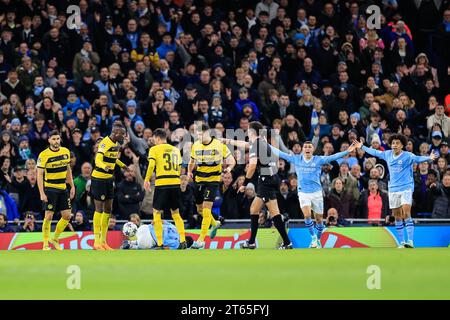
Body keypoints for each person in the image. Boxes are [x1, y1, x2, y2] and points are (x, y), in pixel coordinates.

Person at [269, 140, 357, 248]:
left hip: (316, 193)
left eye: (309, 147)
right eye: (305, 146)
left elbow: (333, 157)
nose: (307, 148)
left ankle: (318, 239)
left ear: (312, 149)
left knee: (319, 219)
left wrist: (348, 151)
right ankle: (313, 237)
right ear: (302, 149)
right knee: (307, 215)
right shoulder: (297, 159)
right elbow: (280, 153)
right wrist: (266, 145)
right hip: (303, 192)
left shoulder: (318, 160)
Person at [354, 134, 437, 248]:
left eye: (397, 143)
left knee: (406, 212)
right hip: (393, 189)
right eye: (393, 143)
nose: (395, 145)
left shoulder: (407, 156)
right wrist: (362, 146)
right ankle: (402, 242)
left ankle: (411, 241)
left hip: (406, 188)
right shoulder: (387, 154)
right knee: (397, 216)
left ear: (402, 145)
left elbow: (418, 159)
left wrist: (429, 157)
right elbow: (375, 152)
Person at [224, 121, 292, 249]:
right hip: (270, 178)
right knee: (254, 209)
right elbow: (245, 144)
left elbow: (253, 165)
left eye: (248, 131)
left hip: (266, 181)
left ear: (251, 132)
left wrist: (244, 183)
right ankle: (252, 242)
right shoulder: (262, 142)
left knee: (273, 213)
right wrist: (228, 141)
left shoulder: (257, 145)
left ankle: (286, 242)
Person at [187, 124, 235, 249]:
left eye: (201, 134)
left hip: (213, 181)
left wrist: (228, 168)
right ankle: (215, 223)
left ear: (208, 133)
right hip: (199, 180)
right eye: (197, 134)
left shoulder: (219, 145)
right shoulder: (196, 145)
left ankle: (201, 239)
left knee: (206, 209)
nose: (199, 137)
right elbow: (192, 161)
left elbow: (232, 160)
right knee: (199, 210)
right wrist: (189, 172)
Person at [143, 128, 187, 249]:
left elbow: (151, 165)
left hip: (162, 182)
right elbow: (179, 168)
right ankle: (183, 241)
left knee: (156, 212)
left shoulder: (154, 149)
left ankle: (160, 243)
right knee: (176, 213)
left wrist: (146, 179)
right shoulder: (175, 150)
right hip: (175, 182)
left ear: (157, 138)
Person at [90, 125, 129, 250]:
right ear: (116, 133)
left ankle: (103, 242)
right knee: (99, 209)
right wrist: (104, 167)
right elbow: (98, 159)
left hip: (108, 179)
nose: (124, 137)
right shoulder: (104, 143)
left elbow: (112, 158)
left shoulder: (115, 143)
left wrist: (122, 165)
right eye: (122, 134)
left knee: (108, 209)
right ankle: (96, 241)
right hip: (99, 178)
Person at [37, 130, 75, 250]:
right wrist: (42, 193)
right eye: (53, 139)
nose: (56, 141)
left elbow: (68, 169)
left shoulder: (66, 151)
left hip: (63, 188)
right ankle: (45, 243)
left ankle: (55, 238)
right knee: (48, 216)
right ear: (49, 140)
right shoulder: (43, 155)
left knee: (67, 216)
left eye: (58, 139)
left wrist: (72, 186)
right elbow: (39, 175)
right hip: (50, 188)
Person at [121, 221, 194, 250]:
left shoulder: (175, 228)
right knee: (144, 246)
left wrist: (154, 221)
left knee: (140, 236)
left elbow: (161, 221)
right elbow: (165, 248)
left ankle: (131, 242)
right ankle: (131, 246)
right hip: (147, 241)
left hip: (145, 228)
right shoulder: (177, 244)